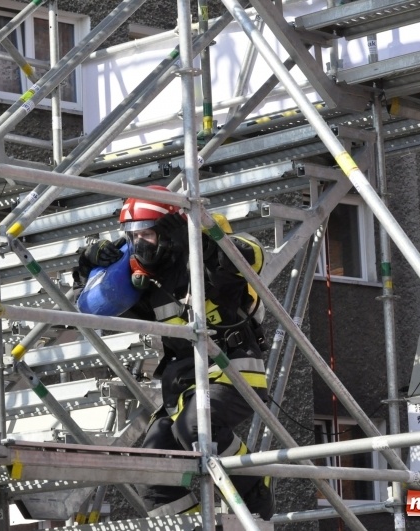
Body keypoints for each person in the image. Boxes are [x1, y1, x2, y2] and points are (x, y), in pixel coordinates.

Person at [76, 185, 274, 520]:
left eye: (147, 235)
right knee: (152, 465)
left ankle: (253, 489)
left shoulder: (212, 254)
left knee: (196, 428)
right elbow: (100, 307)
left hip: (232, 372)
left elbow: (252, 255)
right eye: (132, 236)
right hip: (182, 386)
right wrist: (87, 265)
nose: (139, 244)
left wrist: (209, 244)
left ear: (169, 230)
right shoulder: (149, 281)